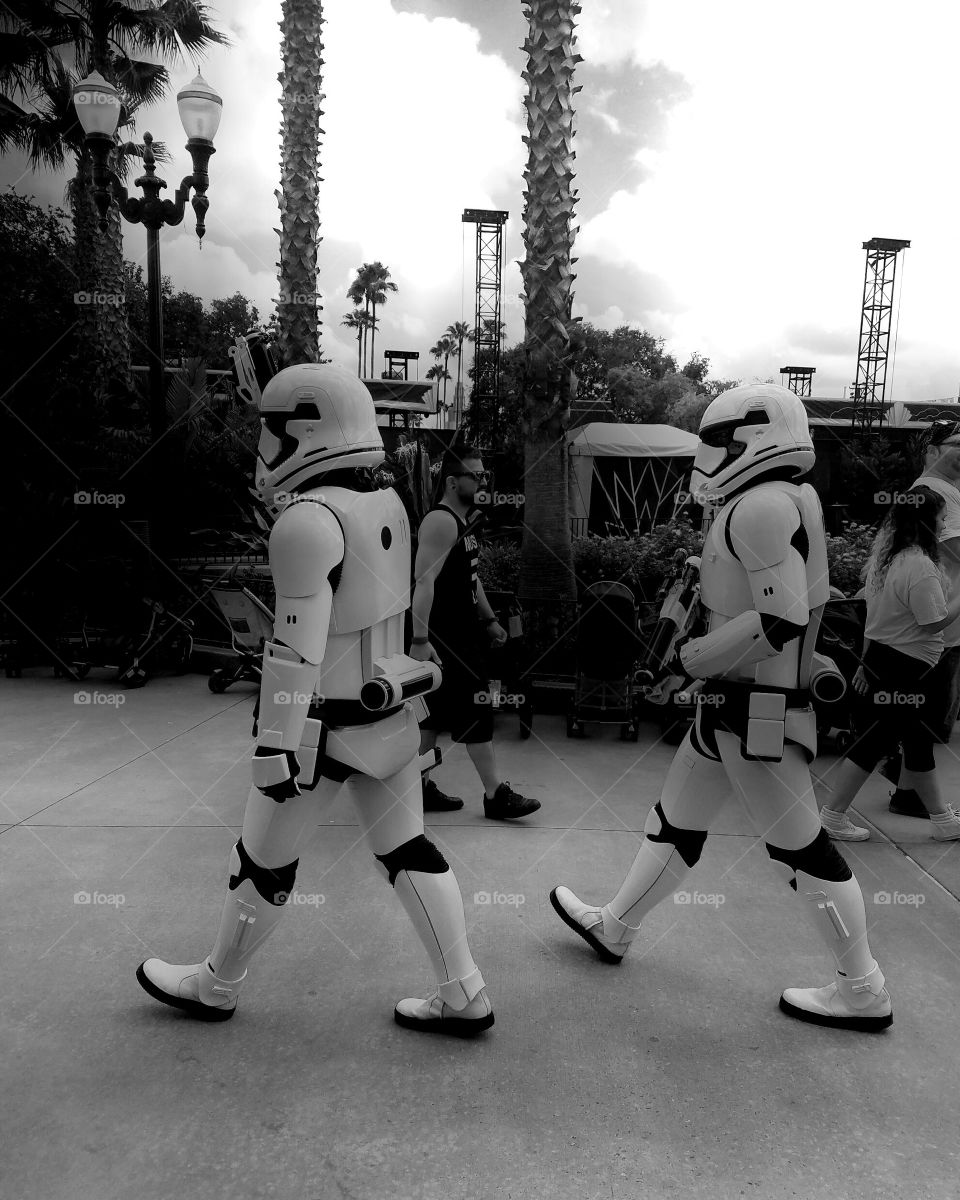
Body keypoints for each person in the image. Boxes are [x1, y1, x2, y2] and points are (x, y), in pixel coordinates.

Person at [136, 365, 494, 1036]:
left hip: (324, 727)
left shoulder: (309, 521)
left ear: (302, 431)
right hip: (386, 715)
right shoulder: (384, 502)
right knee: (409, 851)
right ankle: (464, 991)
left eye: (270, 430)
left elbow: (294, 650)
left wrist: (275, 744)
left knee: (263, 861)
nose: (262, 445)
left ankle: (216, 985)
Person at [551, 383, 893, 1031]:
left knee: (802, 852)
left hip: (753, 708)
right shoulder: (788, 497)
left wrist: (694, 658)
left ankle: (862, 988)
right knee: (675, 823)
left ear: (750, 439)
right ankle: (616, 927)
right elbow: (783, 591)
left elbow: (783, 615)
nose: (707, 453)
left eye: (716, 439)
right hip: (738, 706)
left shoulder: (759, 506)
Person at [818, 487, 960, 841]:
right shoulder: (921, 567)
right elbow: (931, 622)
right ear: (926, 521)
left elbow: (873, 620)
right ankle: (832, 816)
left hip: (886, 660)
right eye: (942, 517)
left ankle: (942, 821)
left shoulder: (887, 561)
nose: (945, 523)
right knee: (878, 744)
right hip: (909, 668)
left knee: (911, 743)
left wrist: (866, 664)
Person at [410, 445, 540, 819]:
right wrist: (421, 640)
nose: (483, 481)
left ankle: (417, 789)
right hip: (447, 639)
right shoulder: (441, 521)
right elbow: (423, 581)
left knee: (431, 717)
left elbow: (471, 576)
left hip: (462, 633)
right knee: (477, 711)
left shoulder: (465, 521)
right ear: (452, 482)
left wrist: (489, 619)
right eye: (476, 476)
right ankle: (495, 794)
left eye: (485, 475)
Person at [884, 419, 960, 816]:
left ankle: (909, 793)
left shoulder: (949, 491)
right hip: (934, 627)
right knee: (922, 723)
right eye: (956, 442)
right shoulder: (929, 492)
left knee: (922, 723)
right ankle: (917, 799)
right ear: (932, 450)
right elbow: (951, 549)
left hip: (942, 624)